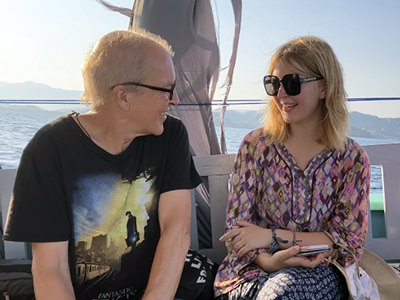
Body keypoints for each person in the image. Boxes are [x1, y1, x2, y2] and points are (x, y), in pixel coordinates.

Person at [4, 29, 216, 300]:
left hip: (158, 287)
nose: (175, 100)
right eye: (167, 89)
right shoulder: (50, 148)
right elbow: (51, 268)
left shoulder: (169, 136)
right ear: (123, 96)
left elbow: (176, 230)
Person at [214, 36, 370, 299]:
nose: (281, 94)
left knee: (285, 293)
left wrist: (268, 236)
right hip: (250, 272)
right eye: (273, 84)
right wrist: (269, 261)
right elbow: (237, 229)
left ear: (324, 87)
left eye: (292, 83)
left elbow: (345, 241)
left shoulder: (351, 159)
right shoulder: (256, 146)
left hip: (319, 272)